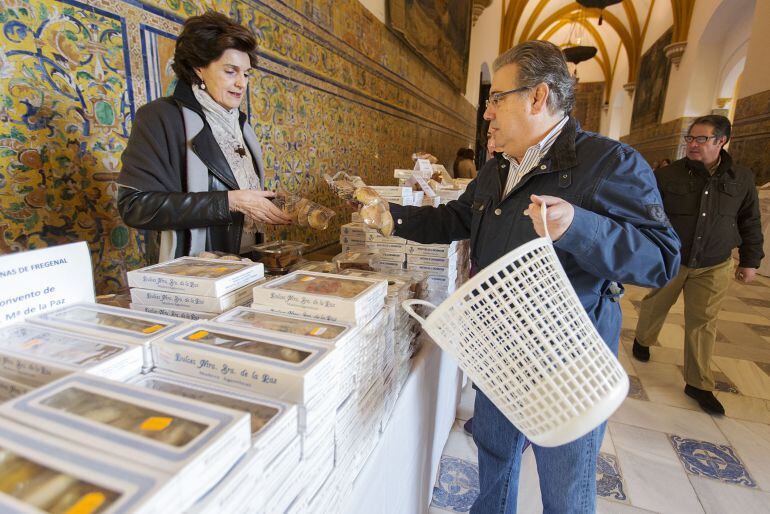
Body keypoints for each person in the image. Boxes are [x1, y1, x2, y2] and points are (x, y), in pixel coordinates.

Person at [388, 41, 680, 513]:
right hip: (500, 354)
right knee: (495, 460)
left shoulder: (610, 164)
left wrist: (580, 227)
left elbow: (661, 258)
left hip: (567, 362)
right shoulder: (498, 167)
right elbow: (457, 218)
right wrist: (392, 218)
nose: (487, 113)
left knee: (565, 488)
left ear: (538, 97)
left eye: (496, 98)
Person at [118, 12, 291, 262]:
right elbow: (134, 206)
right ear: (199, 68)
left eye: (246, 74)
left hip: (245, 264)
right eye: (230, 71)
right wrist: (229, 202)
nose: (241, 83)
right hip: (197, 269)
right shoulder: (162, 117)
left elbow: (237, 189)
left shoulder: (241, 124)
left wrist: (274, 201)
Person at [632, 115, 764, 415]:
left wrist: (750, 260)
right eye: (690, 138)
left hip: (714, 263)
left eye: (701, 139)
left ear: (721, 141)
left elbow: (750, 221)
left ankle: (698, 383)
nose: (692, 144)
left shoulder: (741, 178)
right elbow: (648, 216)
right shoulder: (668, 176)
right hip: (673, 259)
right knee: (656, 303)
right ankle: (643, 338)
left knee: (703, 321)